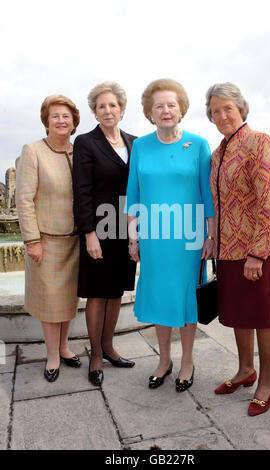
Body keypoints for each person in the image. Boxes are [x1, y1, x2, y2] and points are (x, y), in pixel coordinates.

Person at [126, 78, 215, 392]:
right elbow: (132, 192)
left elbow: (208, 194)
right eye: (159, 106)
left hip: (189, 236)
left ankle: (188, 361)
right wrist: (132, 237)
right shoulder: (140, 146)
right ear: (151, 113)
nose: (166, 110)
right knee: (161, 295)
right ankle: (164, 361)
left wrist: (211, 236)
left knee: (187, 296)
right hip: (153, 235)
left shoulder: (199, 144)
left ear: (181, 109)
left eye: (171, 104)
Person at [206, 82, 270, 416]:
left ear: (241, 108)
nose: (222, 115)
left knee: (264, 317)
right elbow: (217, 201)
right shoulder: (218, 152)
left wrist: (257, 252)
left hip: (260, 250)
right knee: (240, 315)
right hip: (228, 250)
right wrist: (213, 238)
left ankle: (265, 381)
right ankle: (244, 370)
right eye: (215, 111)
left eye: (228, 108)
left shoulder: (258, 142)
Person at [72, 82, 137, 387]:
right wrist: (89, 233)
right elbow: (81, 191)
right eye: (101, 106)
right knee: (97, 294)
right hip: (99, 228)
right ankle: (96, 355)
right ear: (94, 111)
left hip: (126, 229)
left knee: (115, 292)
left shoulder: (135, 143)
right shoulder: (86, 143)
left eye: (112, 105)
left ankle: (110, 347)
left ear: (121, 109)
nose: (107, 111)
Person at [16, 95, 81, 382]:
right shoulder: (32, 151)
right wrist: (32, 240)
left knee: (68, 301)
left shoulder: (79, 152)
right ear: (46, 121)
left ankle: (65, 347)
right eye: (55, 116)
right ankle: (52, 355)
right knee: (50, 302)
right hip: (46, 241)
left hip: (75, 240)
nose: (61, 120)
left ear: (74, 121)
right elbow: (24, 199)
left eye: (66, 116)